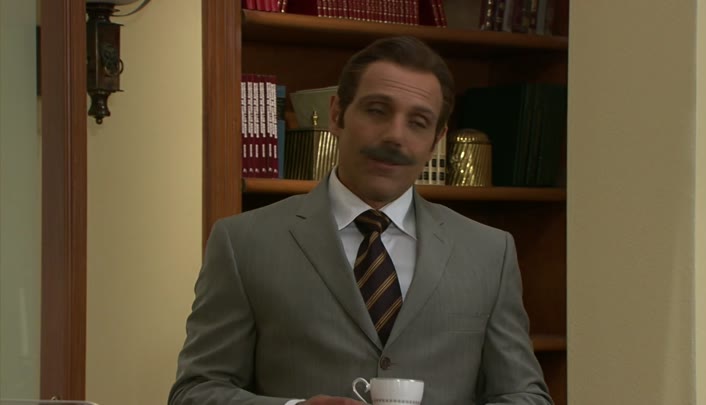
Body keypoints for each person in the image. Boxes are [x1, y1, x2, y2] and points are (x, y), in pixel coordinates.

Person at [169, 35, 553, 405]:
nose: (394, 136)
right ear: (337, 114)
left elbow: (525, 395)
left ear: (436, 140)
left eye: (418, 122)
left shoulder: (489, 252)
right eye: (377, 111)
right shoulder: (243, 242)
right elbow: (195, 392)